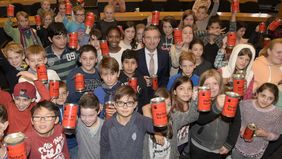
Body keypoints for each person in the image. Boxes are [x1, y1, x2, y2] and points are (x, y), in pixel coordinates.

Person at [189, 69, 241, 159]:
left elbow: (236, 123)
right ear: (202, 86)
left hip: (219, 148)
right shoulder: (197, 99)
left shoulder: (229, 99)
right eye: (207, 84)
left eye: (215, 83)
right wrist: (216, 108)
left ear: (220, 85)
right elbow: (200, 120)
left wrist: (229, 143)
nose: (211, 87)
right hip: (198, 144)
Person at [100, 85, 154, 159]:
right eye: (120, 103)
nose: (125, 107)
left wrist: (160, 111)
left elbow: (157, 127)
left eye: (129, 103)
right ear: (115, 104)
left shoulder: (141, 121)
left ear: (135, 104)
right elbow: (104, 150)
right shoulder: (108, 125)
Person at [231, 83, 282, 159]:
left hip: (256, 152)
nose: (265, 100)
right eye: (263, 95)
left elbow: (276, 135)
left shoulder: (277, 114)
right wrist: (241, 129)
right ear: (257, 93)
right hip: (238, 147)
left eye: (270, 98)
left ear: (274, 100)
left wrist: (265, 134)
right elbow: (235, 123)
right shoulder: (244, 105)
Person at [137, 26, 170, 98]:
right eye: (148, 38)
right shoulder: (136, 55)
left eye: (155, 37)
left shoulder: (165, 55)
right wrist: (141, 80)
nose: (152, 41)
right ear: (143, 40)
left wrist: (162, 94)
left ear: (159, 40)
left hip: (159, 96)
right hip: (141, 96)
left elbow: (165, 77)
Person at [76, 93, 103, 158]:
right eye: (83, 115)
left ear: (98, 111)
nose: (87, 119)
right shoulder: (78, 124)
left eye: (91, 115)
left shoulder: (105, 126)